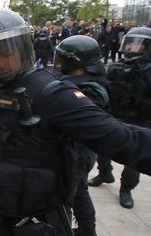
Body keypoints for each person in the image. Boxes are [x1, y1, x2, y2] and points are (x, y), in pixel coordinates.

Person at [0, 9, 151, 236]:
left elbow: (121, 138)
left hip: (29, 222)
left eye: (7, 53)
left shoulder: (51, 94)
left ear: (22, 48)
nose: (1, 62)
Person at [88, 27, 151, 209]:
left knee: (132, 157)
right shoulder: (116, 66)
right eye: (130, 43)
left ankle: (126, 189)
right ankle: (104, 173)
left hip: (139, 119)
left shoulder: (148, 70)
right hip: (114, 115)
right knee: (102, 148)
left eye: (138, 44)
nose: (132, 47)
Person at [55, 35, 110, 236]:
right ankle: (88, 230)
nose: (58, 63)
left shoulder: (91, 89)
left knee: (66, 198)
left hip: (78, 152)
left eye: (62, 59)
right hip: (79, 151)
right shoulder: (83, 80)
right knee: (79, 190)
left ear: (75, 61)